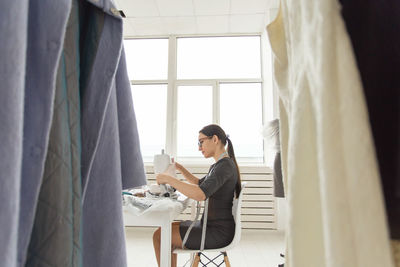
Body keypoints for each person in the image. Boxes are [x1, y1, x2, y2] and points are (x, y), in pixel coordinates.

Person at [153, 124, 242, 267]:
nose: (199, 147)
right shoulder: (220, 165)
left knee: (159, 237)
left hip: (217, 233)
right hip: (214, 227)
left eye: (201, 142)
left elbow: (200, 194)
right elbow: (198, 184)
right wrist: (180, 168)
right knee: (164, 230)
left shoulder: (224, 166)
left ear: (214, 139)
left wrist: (168, 179)